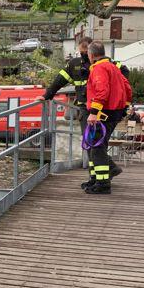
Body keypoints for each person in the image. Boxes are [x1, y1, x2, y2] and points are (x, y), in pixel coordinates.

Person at [42, 36, 130, 188]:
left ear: (91, 52)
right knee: (91, 145)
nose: (84, 55)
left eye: (86, 52)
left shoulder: (103, 66)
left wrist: (100, 109)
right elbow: (59, 81)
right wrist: (46, 95)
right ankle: (97, 177)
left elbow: (114, 85)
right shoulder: (76, 65)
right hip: (88, 108)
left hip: (97, 110)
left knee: (95, 145)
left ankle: (103, 179)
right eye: (81, 52)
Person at [84, 41, 133, 195]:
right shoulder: (113, 67)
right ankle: (96, 179)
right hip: (113, 113)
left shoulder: (99, 68)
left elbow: (102, 91)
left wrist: (93, 112)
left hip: (103, 114)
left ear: (91, 55)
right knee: (95, 146)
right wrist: (123, 107)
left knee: (97, 148)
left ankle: (103, 183)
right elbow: (127, 89)